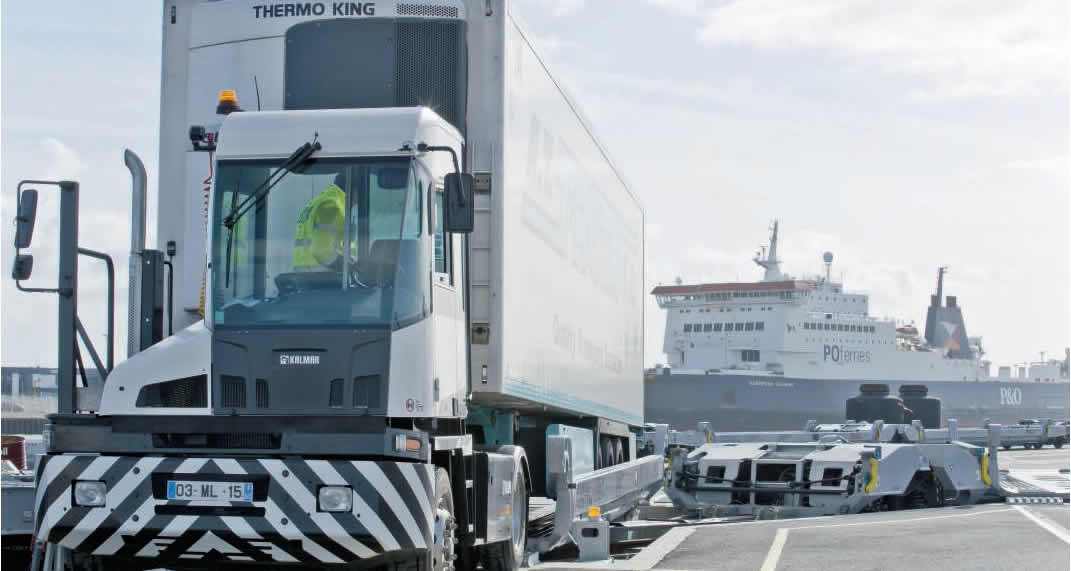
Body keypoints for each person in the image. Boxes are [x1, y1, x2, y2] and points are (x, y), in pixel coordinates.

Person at [292, 179, 346, 272]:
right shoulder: (330, 205)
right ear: (355, 189)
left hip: (305, 274)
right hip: (324, 275)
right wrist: (348, 267)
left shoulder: (318, 201)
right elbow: (323, 252)